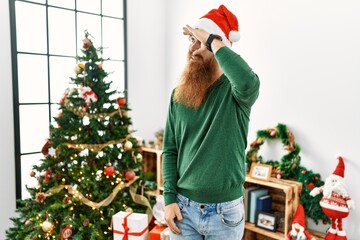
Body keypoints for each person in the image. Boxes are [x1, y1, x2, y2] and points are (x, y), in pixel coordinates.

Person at [162, 4, 260, 240]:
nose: (192, 49)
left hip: (225, 214)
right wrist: (169, 200)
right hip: (183, 210)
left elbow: (248, 82)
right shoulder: (179, 94)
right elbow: (170, 150)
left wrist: (213, 41)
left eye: (199, 42)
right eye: (190, 41)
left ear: (218, 46)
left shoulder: (237, 93)